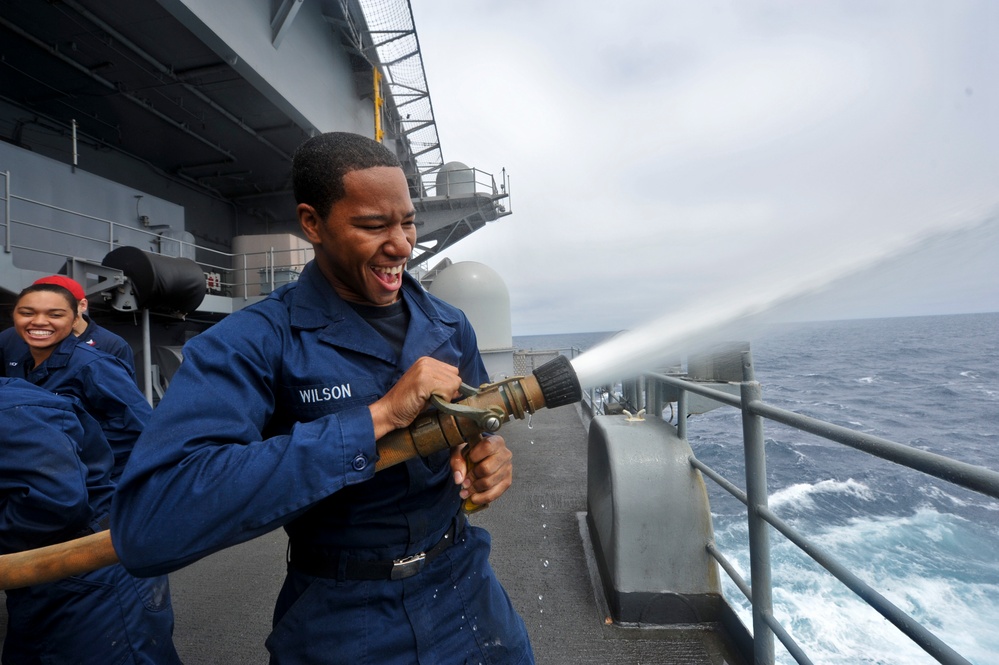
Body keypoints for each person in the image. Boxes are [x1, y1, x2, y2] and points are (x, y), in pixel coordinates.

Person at [112, 132, 535, 664]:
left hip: (469, 597)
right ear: (312, 223)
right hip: (344, 619)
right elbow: (151, 523)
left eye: (406, 221)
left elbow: (479, 427)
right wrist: (374, 419)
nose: (402, 244)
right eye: (372, 225)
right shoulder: (255, 342)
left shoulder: (450, 325)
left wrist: (487, 458)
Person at [0, 376, 181, 664]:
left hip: (90, 560)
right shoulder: (27, 372)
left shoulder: (91, 367)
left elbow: (144, 431)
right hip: (43, 568)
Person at [4, 282, 152, 481]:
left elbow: (139, 427)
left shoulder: (94, 366)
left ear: (75, 320)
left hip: (84, 488)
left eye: (55, 315)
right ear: (14, 316)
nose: (39, 321)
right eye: (27, 313)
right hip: (38, 480)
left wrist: (88, 471)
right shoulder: (22, 360)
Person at [0, 274, 136, 377]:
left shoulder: (111, 345)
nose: (39, 321)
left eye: (55, 312)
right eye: (30, 311)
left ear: (82, 305)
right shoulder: (9, 338)